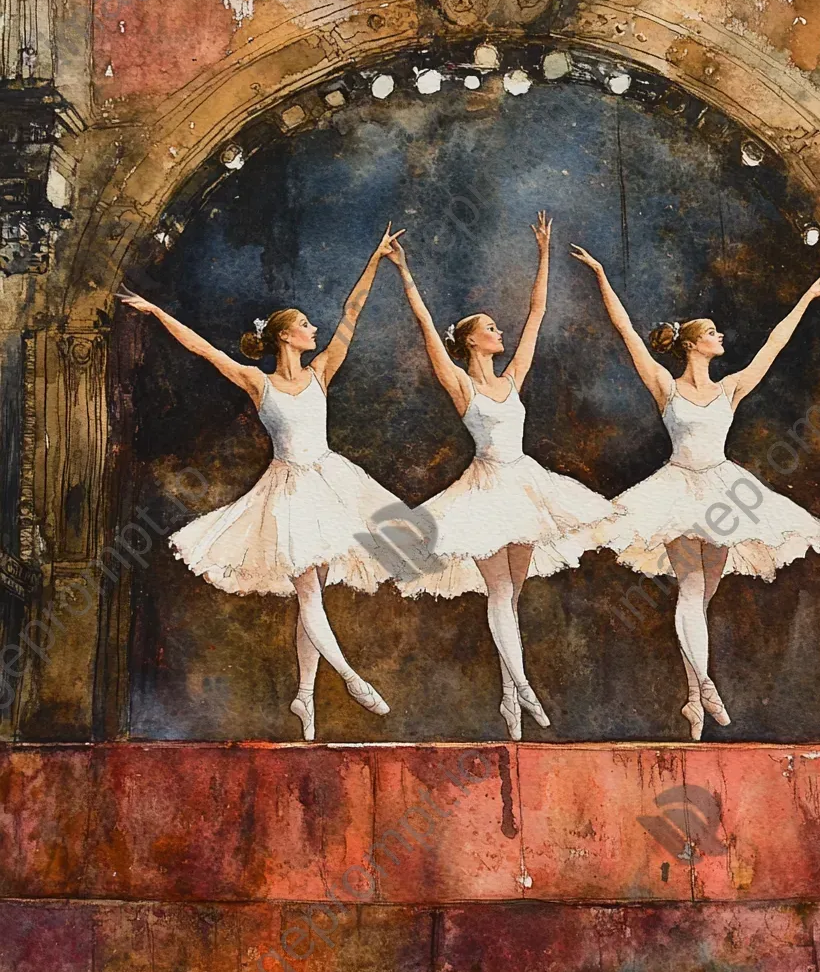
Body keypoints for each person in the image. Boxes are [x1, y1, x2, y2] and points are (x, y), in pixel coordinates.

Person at [117, 224, 407, 741]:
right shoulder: (259, 381)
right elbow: (204, 350)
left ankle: (305, 697)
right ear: (283, 336)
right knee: (309, 597)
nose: (313, 329)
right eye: (304, 325)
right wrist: (157, 312)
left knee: (311, 594)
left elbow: (351, 313)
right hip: (288, 492)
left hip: (329, 484)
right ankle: (352, 678)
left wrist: (375, 258)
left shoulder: (321, 373)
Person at [571, 243, 820, 740]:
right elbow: (627, 332)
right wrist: (602, 275)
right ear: (694, 344)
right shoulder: (664, 385)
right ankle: (706, 687)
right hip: (675, 492)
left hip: (721, 489)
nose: (721, 338)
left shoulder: (731, 387)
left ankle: (693, 699)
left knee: (703, 596)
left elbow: (773, 347)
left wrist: (804, 299)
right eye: (713, 333)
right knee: (691, 592)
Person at [388, 213, 621, 740]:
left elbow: (537, 313)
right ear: (472, 342)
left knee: (512, 598)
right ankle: (524, 688)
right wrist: (404, 273)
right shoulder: (461, 385)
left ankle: (508, 702)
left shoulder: (512, 377)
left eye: (497, 326)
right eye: (490, 327)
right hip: (486, 491)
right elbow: (427, 326)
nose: (500, 331)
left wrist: (544, 251)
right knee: (498, 594)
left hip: (526, 485)